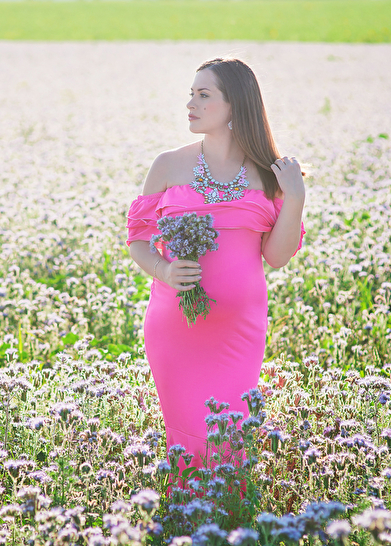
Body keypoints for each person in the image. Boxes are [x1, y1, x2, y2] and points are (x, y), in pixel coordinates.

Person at [125, 57, 306, 471]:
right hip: (175, 326)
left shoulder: (270, 174)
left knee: (231, 438)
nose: (191, 103)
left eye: (204, 95)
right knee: (186, 439)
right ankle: (185, 511)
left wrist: (295, 197)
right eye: (191, 94)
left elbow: (277, 257)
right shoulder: (168, 164)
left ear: (235, 104)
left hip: (239, 332)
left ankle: (229, 511)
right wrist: (164, 271)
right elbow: (137, 241)